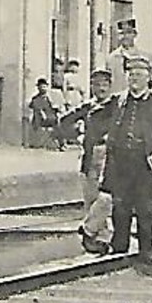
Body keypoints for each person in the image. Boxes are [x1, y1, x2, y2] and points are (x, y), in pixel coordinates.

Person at [102, 54, 152, 264]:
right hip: (121, 162)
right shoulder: (119, 100)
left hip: (146, 163)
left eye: (138, 75)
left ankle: (147, 249)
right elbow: (98, 116)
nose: (134, 79)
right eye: (131, 75)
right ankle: (119, 246)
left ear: (147, 78)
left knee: (145, 208)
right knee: (120, 206)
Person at [56, 68, 115, 254]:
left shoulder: (117, 106)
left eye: (104, 84)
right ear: (91, 87)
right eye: (97, 85)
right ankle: (100, 240)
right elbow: (64, 120)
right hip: (90, 156)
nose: (101, 88)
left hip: (111, 156)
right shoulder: (88, 107)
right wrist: (77, 133)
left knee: (107, 197)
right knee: (91, 199)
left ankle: (88, 229)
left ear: (110, 86)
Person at [106, 17, 141, 96]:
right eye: (121, 33)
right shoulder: (112, 59)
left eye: (128, 33)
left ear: (135, 34)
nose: (125, 36)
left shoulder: (144, 58)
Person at [27, 78, 62, 149]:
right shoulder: (36, 99)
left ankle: (61, 143)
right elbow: (34, 107)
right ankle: (37, 143)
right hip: (40, 119)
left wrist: (57, 110)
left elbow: (53, 107)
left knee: (59, 123)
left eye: (45, 87)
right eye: (41, 87)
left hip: (51, 118)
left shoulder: (49, 98)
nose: (43, 89)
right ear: (38, 88)